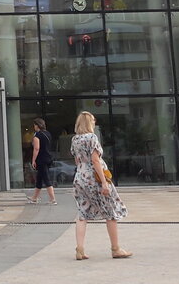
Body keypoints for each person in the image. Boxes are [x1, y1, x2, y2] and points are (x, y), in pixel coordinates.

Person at [71, 111, 131, 260]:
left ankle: (80, 249)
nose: (94, 123)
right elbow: (95, 160)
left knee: (82, 214)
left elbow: (77, 161)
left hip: (80, 177)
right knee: (110, 211)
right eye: (93, 121)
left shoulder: (75, 139)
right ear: (88, 123)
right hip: (94, 178)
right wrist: (104, 182)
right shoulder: (92, 138)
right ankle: (115, 248)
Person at [27, 117, 57, 205]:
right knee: (39, 179)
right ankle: (34, 198)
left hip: (41, 159)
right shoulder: (48, 134)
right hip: (48, 158)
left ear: (37, 126)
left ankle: (53, 199)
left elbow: (36, 149)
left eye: (34, 125)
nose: (34, 127)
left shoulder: (37, 136)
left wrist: (33, 160)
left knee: (46, 179)